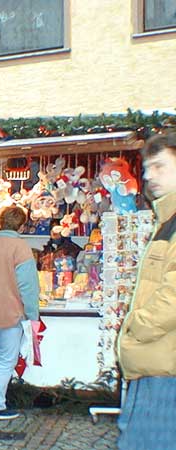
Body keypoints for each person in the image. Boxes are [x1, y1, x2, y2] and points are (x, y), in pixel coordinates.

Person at [117, 132, 176, 450]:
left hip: (165, 366)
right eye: (147, 167)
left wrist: (135, 326)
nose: (148, 175)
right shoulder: (167, 221)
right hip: (156, 360)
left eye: (160, 166)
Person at [0, 206, 39, 420]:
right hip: (10, 311)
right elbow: (28, 287)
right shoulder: (21, 248)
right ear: (21, 225)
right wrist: (32, 315)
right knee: (6, 360)